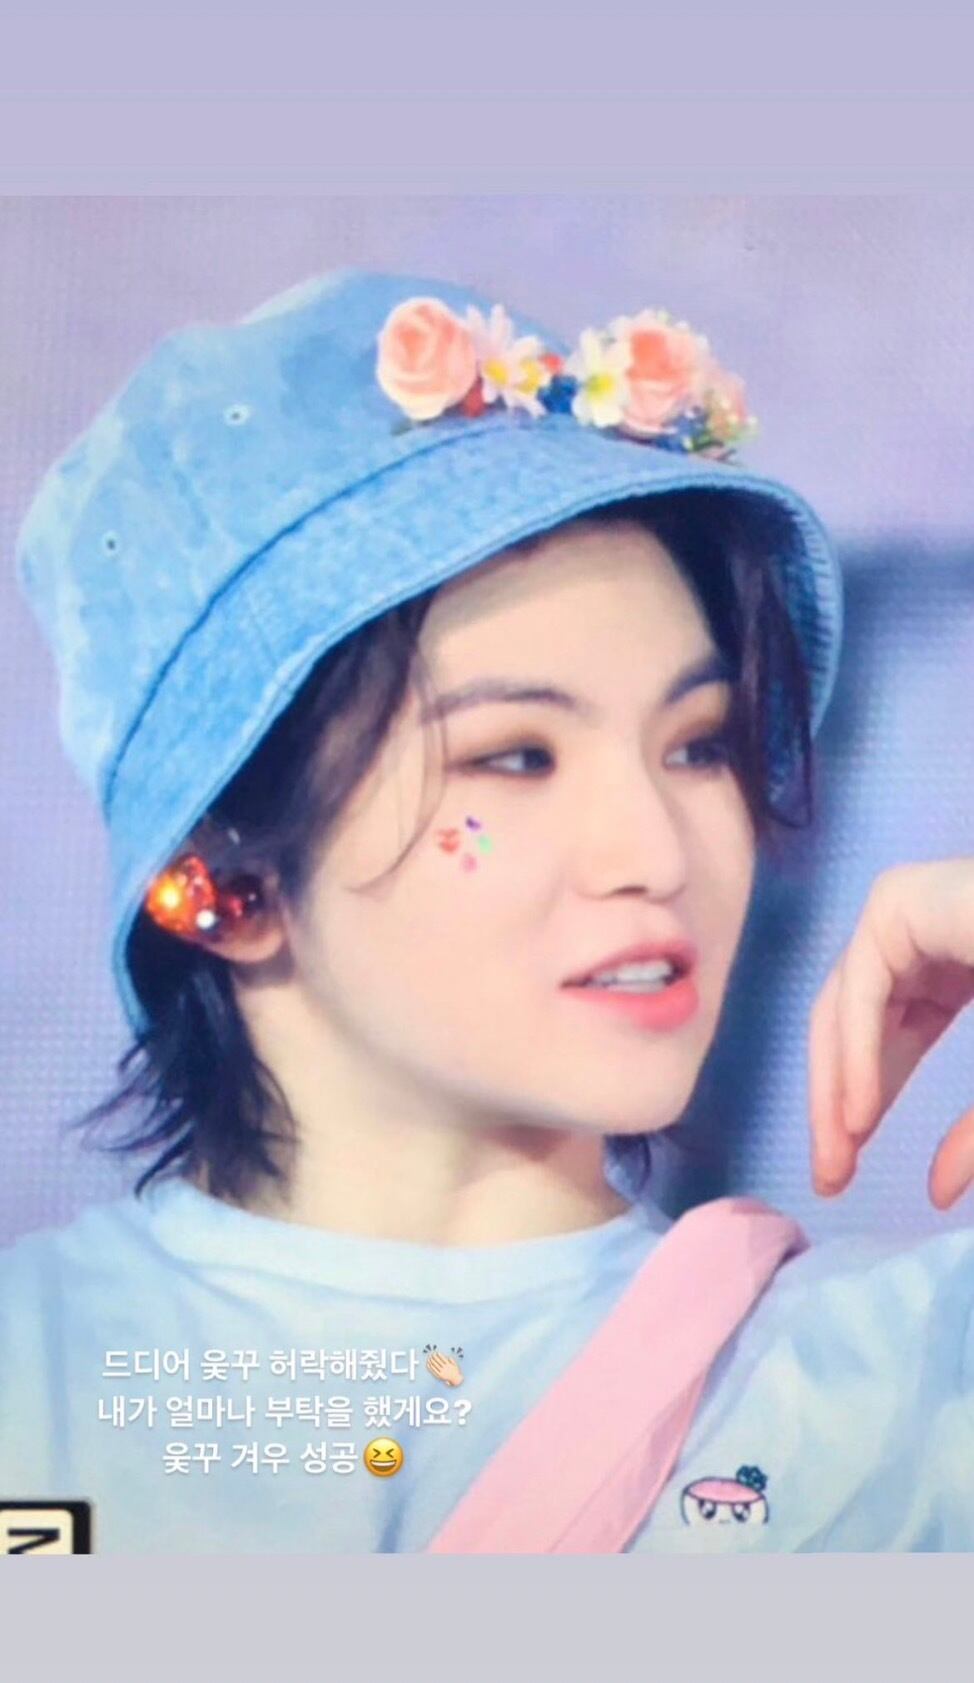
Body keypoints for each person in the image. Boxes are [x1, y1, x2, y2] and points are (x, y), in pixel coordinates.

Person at [2, 269, 971, 1555]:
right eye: (515, 756)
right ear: (226, 881)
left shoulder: (901, 1388)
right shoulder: (35, 1379)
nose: (656, 852)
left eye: (697, 744)